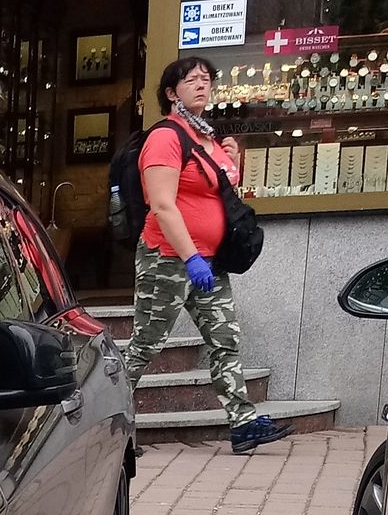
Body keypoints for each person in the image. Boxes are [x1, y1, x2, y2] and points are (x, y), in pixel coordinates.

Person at [124, 55, 289, 454]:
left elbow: (221, 196)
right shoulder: (165, 137)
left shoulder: (209, 139)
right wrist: (190, 257)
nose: (202, 85)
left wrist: (231, 161)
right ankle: (109, 425)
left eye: (207, 80)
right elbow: (162, 206)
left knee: (225, 338)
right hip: (168, 257)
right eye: (192, 80)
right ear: (171, 92)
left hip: (209, 262)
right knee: (145, 344)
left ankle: (243, 423)